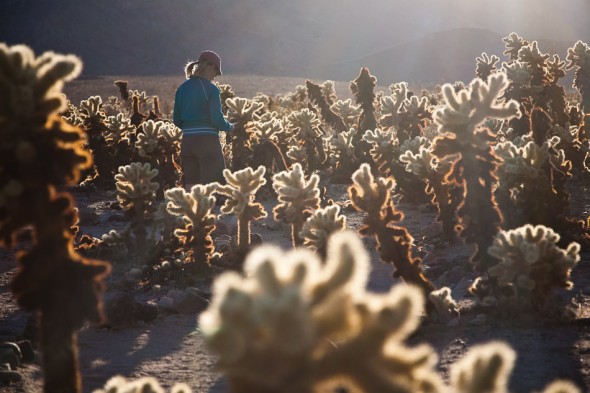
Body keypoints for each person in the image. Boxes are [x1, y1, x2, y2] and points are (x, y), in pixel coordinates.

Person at [173, 50, 233, 191]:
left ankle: (191, 211)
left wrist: (190, 128)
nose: (215, 76)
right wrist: (230, 127)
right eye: (216, 71)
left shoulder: (182, 88)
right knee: (214, 186)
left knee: (191, 184)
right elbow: (217, 120)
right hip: (207, 142)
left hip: (187, 142)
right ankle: (209, 212)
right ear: (209, 66)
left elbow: (176, 119)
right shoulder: (211, 89)